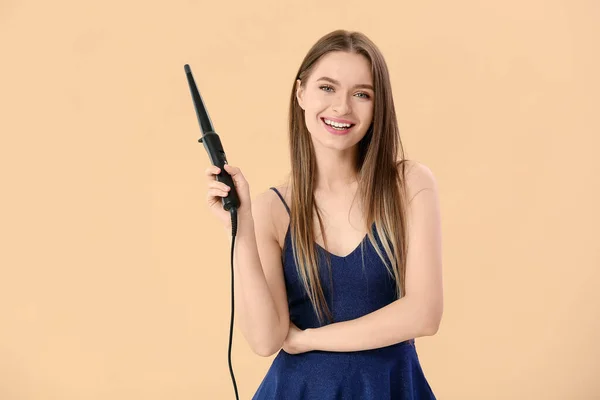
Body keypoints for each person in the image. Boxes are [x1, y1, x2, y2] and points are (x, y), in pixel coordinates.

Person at [205, 29, 443, 399]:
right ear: (301, 92)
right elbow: (267, 339)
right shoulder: (271, 208)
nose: (342, 107)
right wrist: (241, 232)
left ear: (378, 106)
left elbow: (424, 314)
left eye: (361, 94)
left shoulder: (409, 184)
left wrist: (311, 338)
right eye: (327, 88)